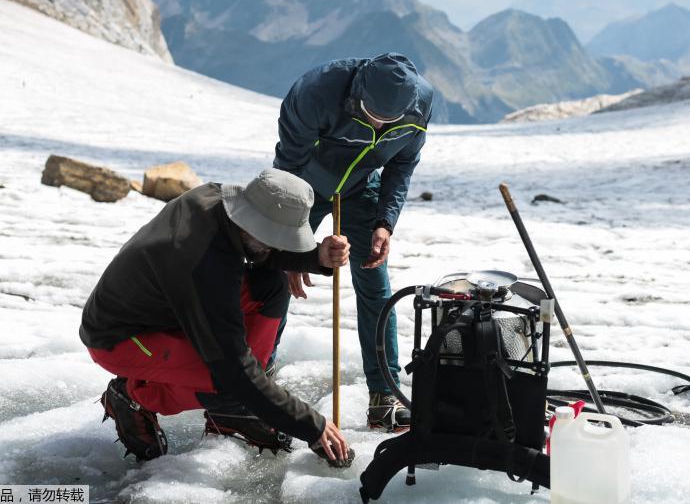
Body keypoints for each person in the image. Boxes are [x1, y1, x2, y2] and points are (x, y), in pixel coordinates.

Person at [79, 169, 354, 467]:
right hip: (121, 338)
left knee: (270, 286)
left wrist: (315, 258)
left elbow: (257, 247)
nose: (278, 247)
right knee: (226, 383)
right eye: (277, 239)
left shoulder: (220, 203)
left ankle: (236, 409)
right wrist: (311, 426)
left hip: (173, 309)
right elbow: (232, 368)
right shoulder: (202, 261)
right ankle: (132, 396)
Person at [273, 52, 434, 431]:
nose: (378, 123)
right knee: (274, 278)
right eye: (370, 113)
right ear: (358, 89)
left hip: (362, 188)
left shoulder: (422, 101)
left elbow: (401, 164)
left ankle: (384, 396)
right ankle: (255, 383)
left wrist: (385, 222)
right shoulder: (316, 91)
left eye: (387, 121)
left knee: (377, 288)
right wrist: (288, 243)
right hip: (302, 186)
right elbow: (288, 167)